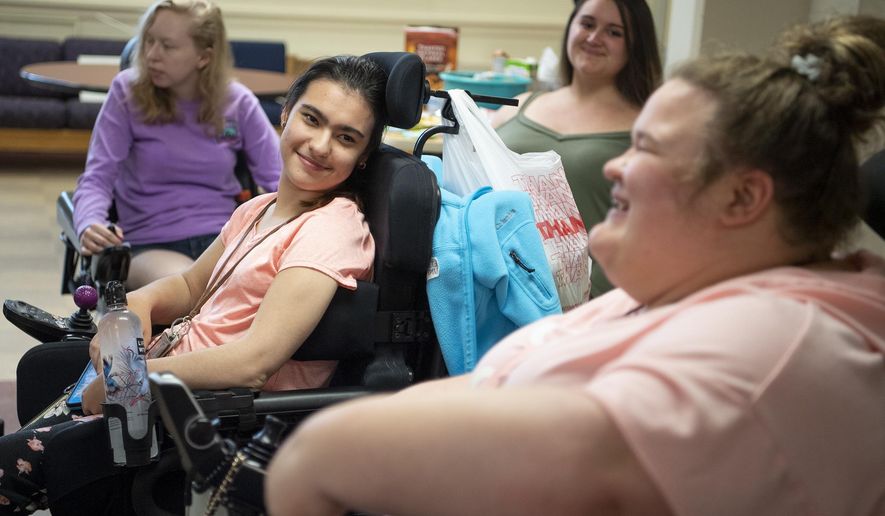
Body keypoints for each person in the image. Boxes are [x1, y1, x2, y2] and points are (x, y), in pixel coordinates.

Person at [265, 15, 885, 516]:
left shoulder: (768, 356)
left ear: (743, 198)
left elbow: (324, 458)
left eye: (646, 147)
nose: (615, 165)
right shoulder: (681, 292)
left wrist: (321, 448)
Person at [0, 54, 387, 514]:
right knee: (42, 371)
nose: (321, 145)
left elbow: (254, 363)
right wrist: (139, 304)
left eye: (345, 138)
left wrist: (130, 383)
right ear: (285, 115)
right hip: (165, 378)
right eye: (311, 119)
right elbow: (188, 286)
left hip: (204, 417)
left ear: (362, 157)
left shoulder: (332, 229)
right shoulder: (259, 208)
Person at [73, 0, 282, 289]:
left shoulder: (238, 102)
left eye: (167, 46)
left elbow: (279, 181)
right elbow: (97, 178)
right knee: (195, 290)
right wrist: (89, 223)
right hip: (150, 244)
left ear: (204, 57)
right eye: (148, 41)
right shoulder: (127, 92)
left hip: (223, 241)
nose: (150, 55)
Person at [491, 0, 662, 298]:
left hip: (590, 303)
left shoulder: (648, 127)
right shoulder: (518, 106)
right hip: (498, 290)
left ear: (636, 45)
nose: (594, 38)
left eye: (614, 32)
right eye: (587, 24)